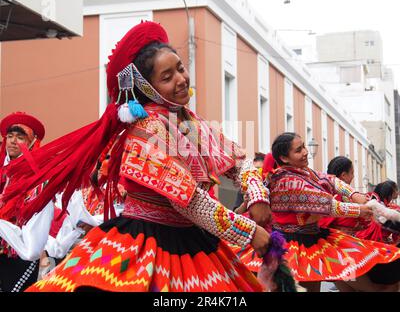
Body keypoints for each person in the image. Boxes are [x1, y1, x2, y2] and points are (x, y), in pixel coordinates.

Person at [2, 21, 272, 292]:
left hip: (192, 240)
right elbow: (186, 199)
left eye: (180, 68)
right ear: (146, 87)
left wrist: (256, 192)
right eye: (166, 77)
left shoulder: (194, 123)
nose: (181, 79)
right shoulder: (146, 128)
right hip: (145, 244)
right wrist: (246, 231)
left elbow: (239, 162)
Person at [268, 132, 400, 292]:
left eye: (303, 147)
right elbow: (327, 206)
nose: (305, 152)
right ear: (284, 158)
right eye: (298, 150)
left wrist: (354, 194)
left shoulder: (304, 173)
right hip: (294, 246)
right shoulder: (287, 181)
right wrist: (359, 209)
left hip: (314, 241)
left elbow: (331, 179)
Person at [0, 111, 48, 292]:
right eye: (10, 136)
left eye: (20, 137)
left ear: (31, 142)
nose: (13, 141)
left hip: (20, 247)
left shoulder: (37, 173)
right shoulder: (1, 168)